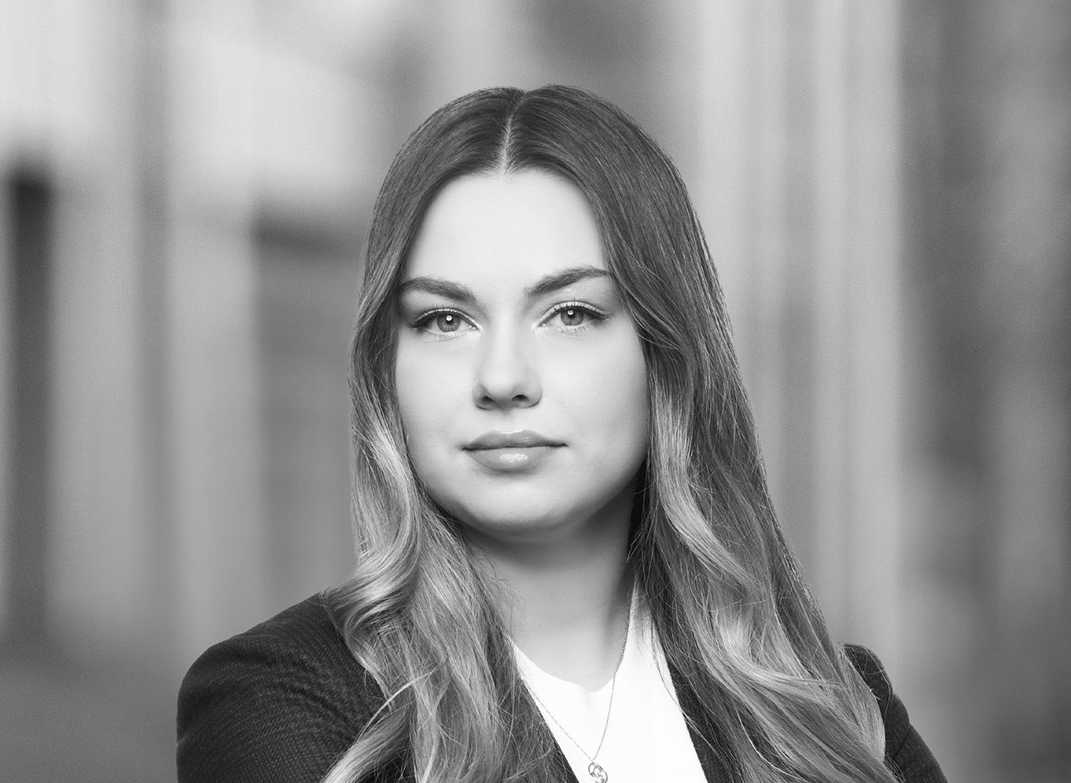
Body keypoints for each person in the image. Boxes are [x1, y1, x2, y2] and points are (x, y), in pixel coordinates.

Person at [177, 85, 948, 783]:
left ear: (664, 353)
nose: (502, 377)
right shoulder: (282, 701)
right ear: (387, 368)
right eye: (444, 319)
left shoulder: (836, 711)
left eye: (569, 314)